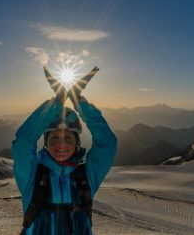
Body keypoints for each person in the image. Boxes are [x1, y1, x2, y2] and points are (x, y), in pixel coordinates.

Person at [12, 88, 117, 234]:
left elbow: (107, 143)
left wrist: (80, 103)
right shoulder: (32, 176)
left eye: (68, 138)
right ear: (46, 142)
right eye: (54, 137)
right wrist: (55, 104)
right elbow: (23, 142)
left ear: (77, 143)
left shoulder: (86, 176)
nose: (61, 144)